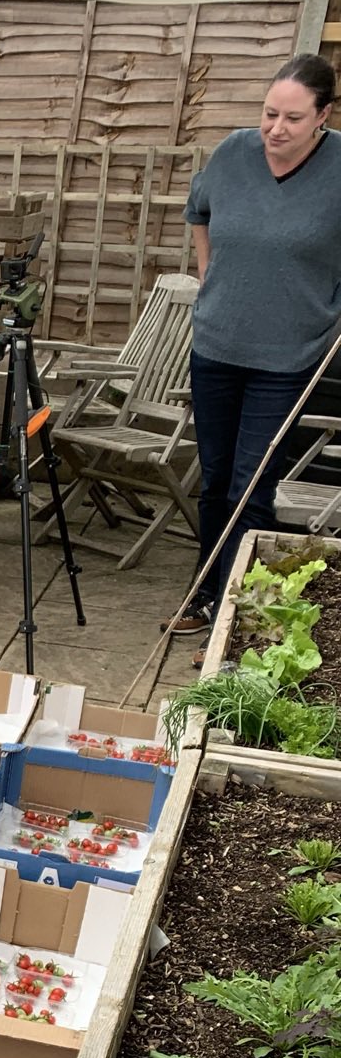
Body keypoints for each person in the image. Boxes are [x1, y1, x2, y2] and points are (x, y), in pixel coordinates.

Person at [168, 53, 341, 638]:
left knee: (253, 484)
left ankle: (235, 615)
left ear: (323, 116)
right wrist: (210, 275)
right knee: (214, 478)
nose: (276, 129)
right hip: (216, 344)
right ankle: (205, 593)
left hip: (289, 355)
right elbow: (200, 212)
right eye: (270, 113)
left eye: (293, 118)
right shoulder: (234, 152)